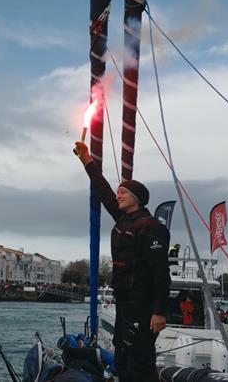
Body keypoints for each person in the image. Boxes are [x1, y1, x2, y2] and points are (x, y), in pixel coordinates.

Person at [74, 141, 170, 382]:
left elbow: (160, 272)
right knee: (123, 357)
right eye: (118, 191)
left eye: (123, 192)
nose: (118, 195)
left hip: (144, 305)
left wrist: (159, 312)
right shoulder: (122, 219)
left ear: (136, 198)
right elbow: (103, 191)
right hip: (124, 303)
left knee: (139, 361)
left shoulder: (151, 228)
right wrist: (87, 161)